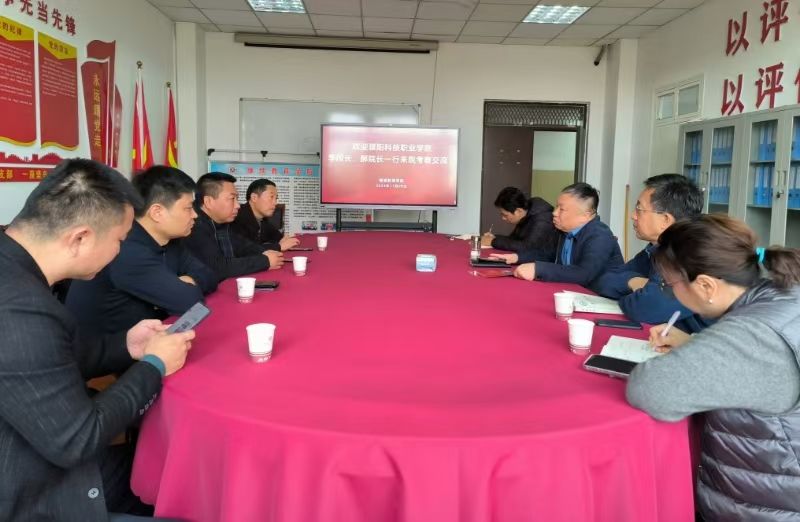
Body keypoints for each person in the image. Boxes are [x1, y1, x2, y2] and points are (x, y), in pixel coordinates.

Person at [0, 159, 195, 521]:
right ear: (80, 238)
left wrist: (127, 346)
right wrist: (154, 364)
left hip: (47, 453)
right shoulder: (20, 309)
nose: (119, 252)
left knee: (175, 477)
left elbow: (50, 359)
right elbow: (78, 439)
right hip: (36, 492)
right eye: (119, 240)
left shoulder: (14, 270)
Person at [626, 214, 800, 521]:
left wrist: (703, 347)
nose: (671, 293)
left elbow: (650, 389)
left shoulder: (752, 335)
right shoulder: (782, 293)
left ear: (706, 285)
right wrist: (695, 343)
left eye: (669, 286)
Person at [66, 166, 218, 335]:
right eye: (188, 208)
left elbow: (209, 275)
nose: (195, 215)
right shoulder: (126, 249)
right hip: (111, 347)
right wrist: (180, 288)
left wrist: (183, 283)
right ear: (157, 212)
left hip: (149, 336)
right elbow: (189, 302)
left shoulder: (171, 240)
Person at [593, 174, 712, 332]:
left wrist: (642, 292)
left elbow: (644, 308)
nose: (633, 216)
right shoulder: (656, 248)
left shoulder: (691, 254)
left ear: (665, 220)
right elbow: (603, 281)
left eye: (639, 209)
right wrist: (633, 281)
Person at [490, 182, 623, 290]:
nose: (554, 213)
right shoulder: (564, 230)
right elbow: (548, 255)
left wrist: (538, 269)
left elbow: (583, 274)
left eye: (561, 209)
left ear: (585, 215)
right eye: (556, 207)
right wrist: (517, 257)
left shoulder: (600, 236)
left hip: (600, 297)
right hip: (573, 293)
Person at [185, 172, 284, 280]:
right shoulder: (194, 226)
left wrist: (265, 252)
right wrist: (265, 261)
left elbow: (243, 246)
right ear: (208, 201)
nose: (238, 205)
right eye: (232, 199)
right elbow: (218, 267)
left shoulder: (221, 223)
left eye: (237, 199)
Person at [480, 186, 559, 258]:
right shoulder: (526, 214)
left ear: (518, 211)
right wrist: (494, 237)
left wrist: (493, 242)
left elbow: (527, 248)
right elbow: (514, 240)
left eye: (505, 215)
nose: (503, 218)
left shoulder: (543, 220)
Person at [231, 178, 300, 251]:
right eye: (271, 197)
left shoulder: (262, 219)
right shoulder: (237, 217)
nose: (275, 203)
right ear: (254, 197)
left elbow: (277, 237)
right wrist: (278, 247)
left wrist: (283, 239)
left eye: (276, 198)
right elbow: (243, 250)